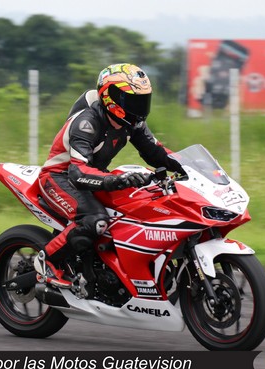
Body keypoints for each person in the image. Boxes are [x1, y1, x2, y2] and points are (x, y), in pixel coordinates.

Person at [34, 63, 184, 288]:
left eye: (143, 100)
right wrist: (116, 180)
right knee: (96, 221)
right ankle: (46, 261)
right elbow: (78, 172)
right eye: (133, 101)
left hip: (93, 176)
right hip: (59, 177)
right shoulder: (87, 122)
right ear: (111, 98)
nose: (140, 108)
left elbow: (156, 153)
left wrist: (189, 166)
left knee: (139, 207)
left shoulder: (133, 123)